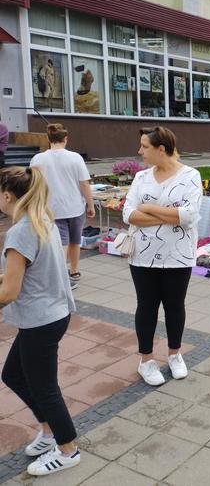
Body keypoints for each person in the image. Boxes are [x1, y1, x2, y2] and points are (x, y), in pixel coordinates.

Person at [0, 166, 80, 476]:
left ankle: (68, 449)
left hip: (41, 321)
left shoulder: (21, 231)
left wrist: (5, 283)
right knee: (13, 375)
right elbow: (24, 275)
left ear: (7, 196)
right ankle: (48, 432)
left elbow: (9, 292)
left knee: (45, 388)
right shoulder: (41, 219)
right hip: (53, 314)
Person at [122, 126, 202, 386]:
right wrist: (169, 214)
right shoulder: (141, 178)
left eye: (144, 147)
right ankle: (146, 360)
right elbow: (128, 214)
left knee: (174, 306)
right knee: (146, 307)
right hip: (143, 258)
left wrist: (149, 208)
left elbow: (189, 217)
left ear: (161, 149)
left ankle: (175, 354)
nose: (139, 151)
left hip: (178, 256)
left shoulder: (191, 176)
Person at [30, 124, 94, 289]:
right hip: (75, 207)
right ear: (66, 139)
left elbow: (33, 185)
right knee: (75, 241)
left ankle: (61, 275)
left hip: (51, 209)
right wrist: (90, 204)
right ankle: (73, 272)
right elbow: (84, 184)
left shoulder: (37, 159)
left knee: (60, 243)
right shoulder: (75, 158)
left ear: (48, 139)